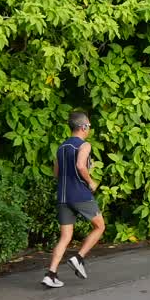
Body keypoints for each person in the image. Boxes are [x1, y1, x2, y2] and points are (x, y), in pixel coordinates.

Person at [44, 111, 106, 288]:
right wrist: (90, 181)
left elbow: (56, 173)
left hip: (63, 196)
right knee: (100, 226)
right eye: (89, 126)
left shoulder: (61, 147)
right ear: (83, 127)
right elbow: (80, 165)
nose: (89, 130)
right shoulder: (84, 145)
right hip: (79, 194)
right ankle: (78, 258)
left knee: (65, 237)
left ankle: (51, 274)